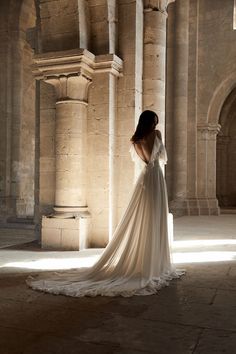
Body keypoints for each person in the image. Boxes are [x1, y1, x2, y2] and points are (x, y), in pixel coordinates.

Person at [27, 110, 183, 297]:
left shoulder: (135, 139)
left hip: (146, 179)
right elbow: (158, 158)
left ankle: (150, 261)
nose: (156, 126)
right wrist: (155, 140)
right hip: (155, 177)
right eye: (154, 122)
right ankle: (154, 265)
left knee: (149, 218)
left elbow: (146, 159)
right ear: (150, 123)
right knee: (154, 218)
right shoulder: (154, 135)